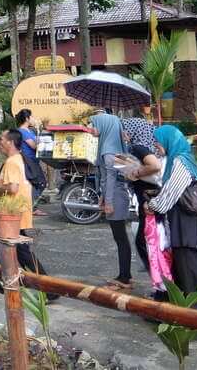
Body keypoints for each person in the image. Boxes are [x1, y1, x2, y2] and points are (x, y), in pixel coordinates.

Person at [147, 126, 197, 312]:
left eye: (158, 140)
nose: (156, 144)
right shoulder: (179, 160)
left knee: (192, 274)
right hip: (183, 225)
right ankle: (182, 314)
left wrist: (153, 205)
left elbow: (171, 193)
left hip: (187, 227)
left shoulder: (179, 162)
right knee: (182, 273)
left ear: (168, 141)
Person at [0, 129, 59, 300]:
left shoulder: (12, 162)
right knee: (6, 246)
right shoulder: (17, 159)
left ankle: (50, 289)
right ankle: (1, 281)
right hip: (15, 213)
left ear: (10, 142)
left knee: (23, 252)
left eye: (1, 139)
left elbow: (13, 188)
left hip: (14, 214)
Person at [87, 109, 133, 290]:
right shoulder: (116, 148)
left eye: (94, 124)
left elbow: (111, 179)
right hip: (117, 195)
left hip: (117, 198)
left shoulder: (109, 153)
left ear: (104, 125)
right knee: (120, 237)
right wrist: (103, 197)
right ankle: (124, 275)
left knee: (120, 237)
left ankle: (125, 278)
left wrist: (109, 202)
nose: (91, 128)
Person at [120, 117, 165, 294]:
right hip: (152, 199)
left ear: (132, 130)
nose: (123, 134)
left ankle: (161, 286)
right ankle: (161, 285)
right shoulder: (149, 145)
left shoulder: (139, 147)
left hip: (150, 202)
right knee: (150, 243)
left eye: (124, 130)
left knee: (146, 243)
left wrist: (135, 173)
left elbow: (154, 166)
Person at [16, 109, 47, 214]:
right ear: (27, 118)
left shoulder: (29, 131)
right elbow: (34, 145)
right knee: (41, 182)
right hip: (28, 161)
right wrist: (39, 130)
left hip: (33, 160)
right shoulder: (22, 131)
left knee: (34, 184)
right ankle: (30, 207)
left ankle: (31, 207)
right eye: (31, 117)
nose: (33, 119)